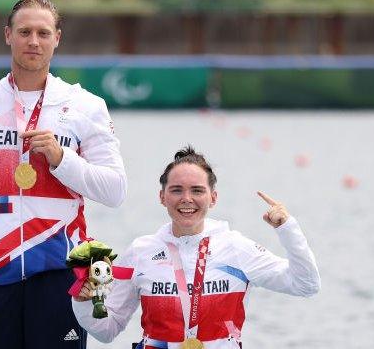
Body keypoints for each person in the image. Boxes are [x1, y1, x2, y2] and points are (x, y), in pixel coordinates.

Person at [0, 0, 126, 348]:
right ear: (8, 35)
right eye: (24, 32)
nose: (33, 41)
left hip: (59, 271)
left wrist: (60, 158)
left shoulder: (85, 105)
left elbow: (115, 190)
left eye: (42, 33)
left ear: (57, 38)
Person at [72, 146, 320, 349]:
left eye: (197, 191)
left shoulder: (236, 248)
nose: (187, 199)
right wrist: (84, 302)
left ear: (213, 197)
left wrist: (287, 228)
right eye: (176, 190)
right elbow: (106, 330)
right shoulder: (140, 251)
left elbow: (306, 285)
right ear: (162, 197)